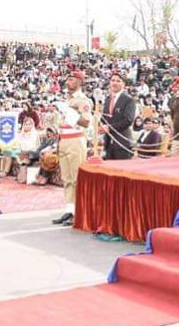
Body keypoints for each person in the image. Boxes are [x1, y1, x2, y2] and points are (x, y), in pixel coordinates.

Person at [52, 70, 91, 226]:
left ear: (79, 82)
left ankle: (79, 211)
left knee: (76, 178)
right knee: (67, 178)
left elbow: (86, 122)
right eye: (67, 79)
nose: (68, 82)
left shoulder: (83, 100)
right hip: (64, 139)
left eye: (72, 79)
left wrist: (69, 112)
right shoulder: (66, 100)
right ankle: (69, 210)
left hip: (75, 139)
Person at [99, 72, 136, 160]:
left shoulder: (128, 99)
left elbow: (128, 120)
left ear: (123, 84)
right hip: (108, 143)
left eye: (118, 81)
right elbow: (104, 118)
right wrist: (100, 125)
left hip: (122, 143)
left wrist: (109, 128)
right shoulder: (108, 99)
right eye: (113, 80)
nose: (114, 83)